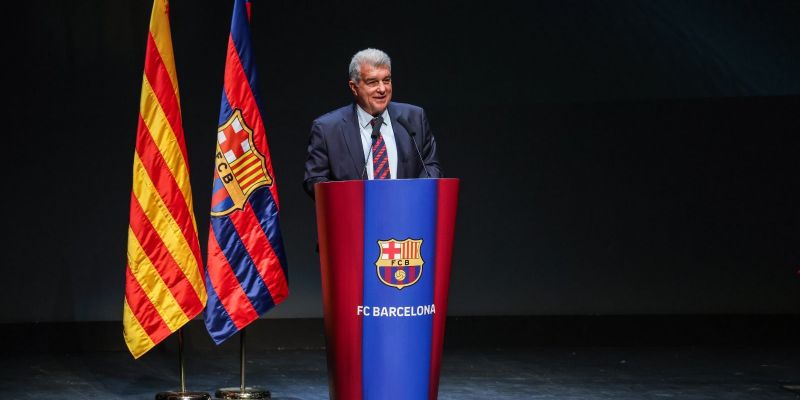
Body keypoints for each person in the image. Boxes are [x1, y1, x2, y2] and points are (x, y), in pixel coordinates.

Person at [303, 48, 442, 197]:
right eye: (372, 82)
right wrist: (352, 200)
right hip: (354, 217)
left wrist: (411, 197)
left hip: (406, 215)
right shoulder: (327, 129)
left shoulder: (414, 118)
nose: (382, 89)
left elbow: (431, 166)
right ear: (354, 87)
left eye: (386, 80)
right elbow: (314, 180)